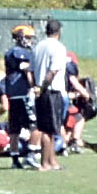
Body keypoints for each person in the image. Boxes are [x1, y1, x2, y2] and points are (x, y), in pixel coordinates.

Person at [30, 18, 72, 171]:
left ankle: (53, 161)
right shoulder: (59, 48)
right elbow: (52, 72)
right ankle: (45, 163)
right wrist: (42, 87)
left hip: (41, 92)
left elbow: (30, 71)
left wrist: (35, 86)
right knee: (48, 130)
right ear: (58, 32)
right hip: (52, 91)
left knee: (52, 128)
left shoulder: (38, 46)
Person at [1, 25, 37, 168]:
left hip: (14, 95)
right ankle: (32, 154)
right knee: (34, 125)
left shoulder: (12, 52)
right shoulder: (18, 52)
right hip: (23, 94)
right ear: (19, 37)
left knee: (14, 129)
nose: (29, 40)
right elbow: (27, 71)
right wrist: (34, 86)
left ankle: (15, 160)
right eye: (27, 37)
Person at [62, 50, 97, 154]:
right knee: (78, 119)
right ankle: (72, 144)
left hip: (55, 99)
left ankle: (79, 144)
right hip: (61, 102)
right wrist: (85, 94)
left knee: (68, 131)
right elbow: (73, 83)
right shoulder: (69, 69)